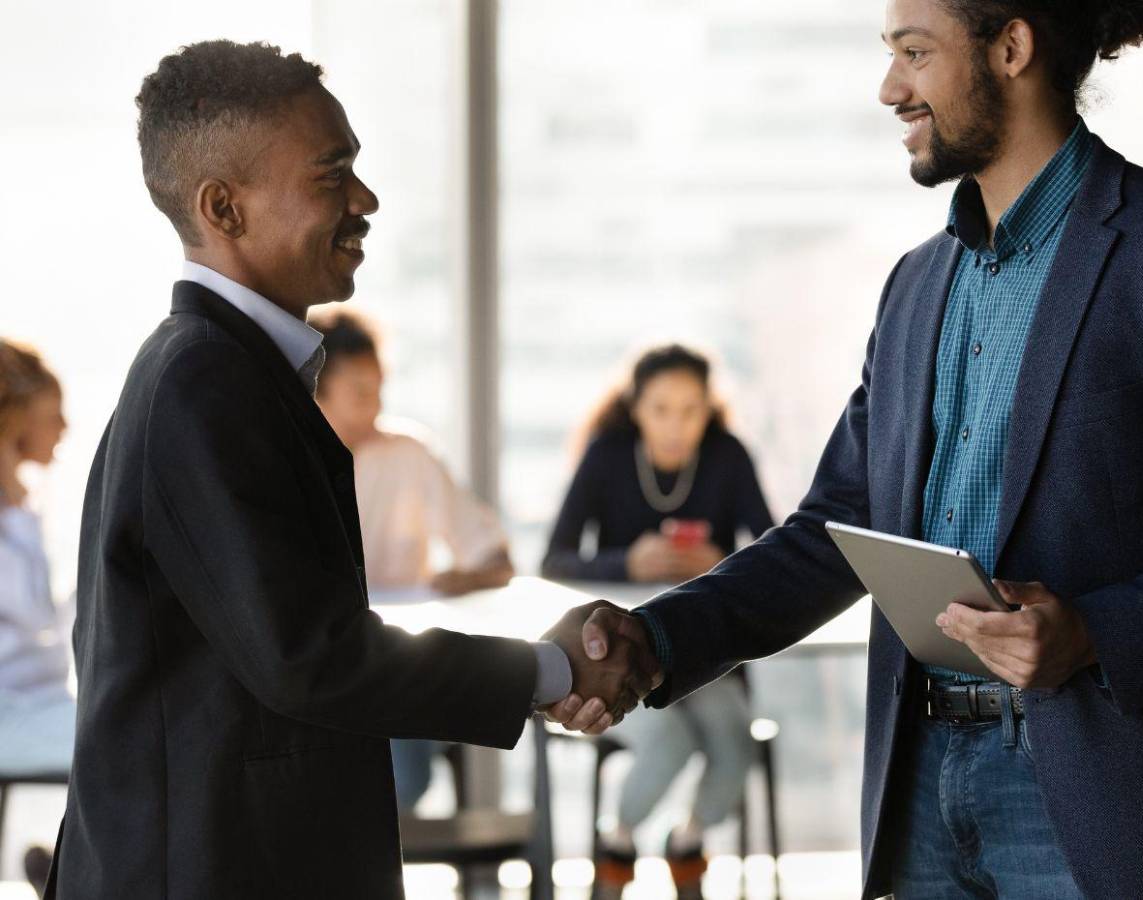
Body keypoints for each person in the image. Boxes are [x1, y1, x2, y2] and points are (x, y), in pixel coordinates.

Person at [550, 2, 1143, 898]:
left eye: (915, 53)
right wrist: (654, 638)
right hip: (920, 786)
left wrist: (1095, 631)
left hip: (1095, 804)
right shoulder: (914, 287)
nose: (890, 88)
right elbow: (834, 529)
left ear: (1011, 48)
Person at [45, 40, 656, 900]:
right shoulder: (204, 383)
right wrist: (548, 671)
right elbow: (312, 658)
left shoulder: (224, 370)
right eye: (331, 176)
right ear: (224, 207)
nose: (364, 201)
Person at [542, 344, 773, 899]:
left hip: (707, 652)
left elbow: (775, 550)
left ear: (710, 409)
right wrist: (628, 562)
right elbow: (555, 560)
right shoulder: (607, 455)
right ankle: (617, 848)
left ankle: (686, 842)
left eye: (691, 410)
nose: (676, 425)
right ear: (635, 408)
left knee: (733, 745)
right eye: (661, 409)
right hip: (618, 658)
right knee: (669, 741)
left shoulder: (727, 455)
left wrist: (718, 561)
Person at [310, 308, 514, 811]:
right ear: (317, 388)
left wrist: (465, 578)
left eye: (379, 388)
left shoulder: (408, 454)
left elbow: (497, 558)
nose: (375, 405)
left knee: (403, 775)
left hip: (399, 660)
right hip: (320, 664)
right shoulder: (286, 457)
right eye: (360, 391)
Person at [0, 341, 71, 893]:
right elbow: (33, 619)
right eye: (53, 416)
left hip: (34, 703)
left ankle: (71, 871)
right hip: (13, 713)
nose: (65, 428)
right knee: (140, 733)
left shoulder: (19, 506)